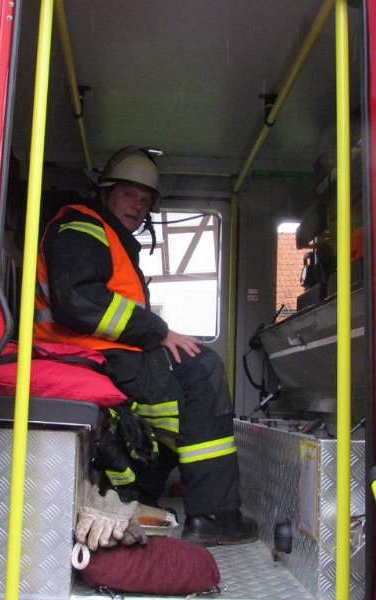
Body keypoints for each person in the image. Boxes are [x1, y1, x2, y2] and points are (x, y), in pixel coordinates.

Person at [33, 146, 257, 546]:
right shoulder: (82, 228)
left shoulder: (107, 235)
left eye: (144, 200)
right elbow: (79, 301)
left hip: (101, 352)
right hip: (84, 354)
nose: (136, 206)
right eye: (128, 195)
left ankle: (144, 494)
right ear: (105, 193)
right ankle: (213, 515)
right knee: (201, 373)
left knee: (194, 374)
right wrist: (157, 332)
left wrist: (157, 336)